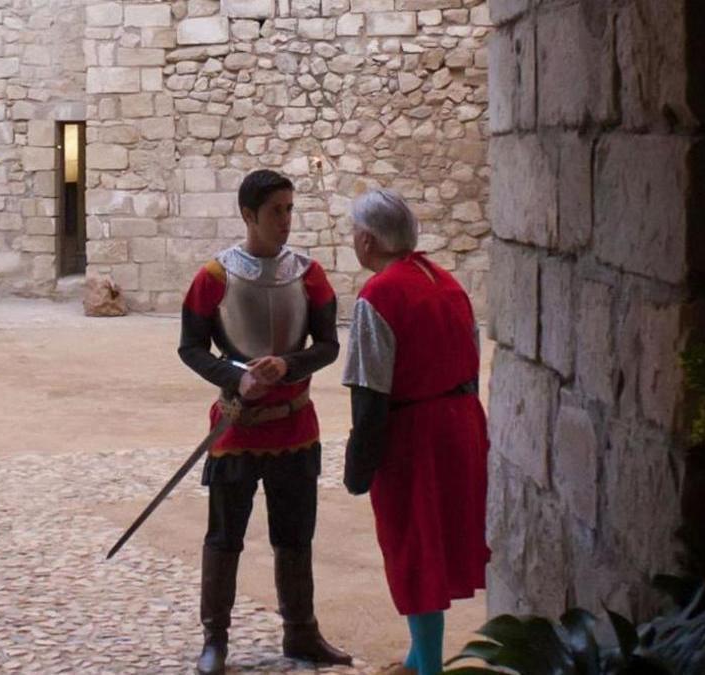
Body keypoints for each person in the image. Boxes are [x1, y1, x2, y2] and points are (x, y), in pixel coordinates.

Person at [178, 169, 353, 674]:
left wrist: (289, 365)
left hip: (296, 427)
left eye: (290, 209)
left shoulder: (309, 274)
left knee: (295, 535)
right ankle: (215, 641)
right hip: (237, 428)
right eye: (276, 210)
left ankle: (301, 633)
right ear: (248, 215)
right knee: (224, 536)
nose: (286, 220)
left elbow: (326, 345)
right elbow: (191, 347)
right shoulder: (214, 278)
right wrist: (236, 376)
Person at [340, 189, 490, 675]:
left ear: (367, 240)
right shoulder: (445, 280)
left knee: (417, 549)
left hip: (415, 435)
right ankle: (415, 657)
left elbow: (370, 388)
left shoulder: (380, 294)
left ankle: (428, 666)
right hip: (462, 424)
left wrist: (359, 464)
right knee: (435, 540)